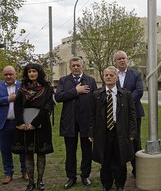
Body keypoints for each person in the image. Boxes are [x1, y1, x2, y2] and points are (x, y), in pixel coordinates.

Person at [89, 66, 136, 191]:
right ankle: (106, 184)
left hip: (120, 131)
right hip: (103, 133)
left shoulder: (125, 94)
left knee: (120, 158)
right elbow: (92, 115)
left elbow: (132, 115)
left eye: (111, 75)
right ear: (103, 77)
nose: (108, 77)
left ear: (116, 77)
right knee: (105, 159)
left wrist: (132, 132)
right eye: (106, 75)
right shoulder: (97, 95)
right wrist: (91, 132)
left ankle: (120, 184)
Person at [55, 56, 97, 189]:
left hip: (86, 121)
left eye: (78, 65)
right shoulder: (63, 80)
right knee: (70, 151)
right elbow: (58, 97)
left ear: (82, 66)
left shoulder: (90, 80)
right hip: (69, 122)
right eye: (73, 65)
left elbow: (96, 99)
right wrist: (75, 91)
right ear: (70, 67)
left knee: (87, 151)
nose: (76, 67)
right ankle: (71, 177)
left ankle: (85, 176)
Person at [12, 63, 54, 191]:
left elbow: (47, 106)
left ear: (39, 72)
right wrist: (20, 122)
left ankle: (40, 181)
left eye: (34, 71)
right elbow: (17, 106)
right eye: (29, 71)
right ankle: (30, 182)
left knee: (41, 153)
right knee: (28, 154)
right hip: (25, 126)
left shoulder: (47, 87)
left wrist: (35, 123)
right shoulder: (22, 87)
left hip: (41, 125)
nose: (31, 74)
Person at [113, 50, 144, 178]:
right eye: (119, 58)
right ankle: (119, 169)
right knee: (118, 141)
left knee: (135, 141)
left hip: (134, 114)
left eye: (124, 58)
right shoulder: (111, 74)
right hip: (115, 115)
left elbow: (139, 90)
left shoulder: (135, 74)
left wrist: (125, 103)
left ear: (127, 60)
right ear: (115, 61)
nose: (122, 60)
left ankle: (137, 169)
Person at [0, 66, 28, 184]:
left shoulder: (22, 86)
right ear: (3, 75)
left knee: (23, 149)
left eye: (10, 74)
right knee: (5, 149)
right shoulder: (0, 86)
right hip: (4, 124)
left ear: (15, 74)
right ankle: (8, 173)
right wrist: (7, 99)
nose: (8, 76)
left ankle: (25, 171)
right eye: (6, 74)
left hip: (20, 123)